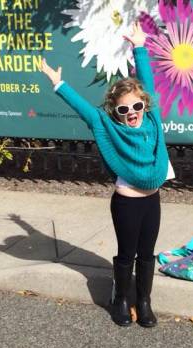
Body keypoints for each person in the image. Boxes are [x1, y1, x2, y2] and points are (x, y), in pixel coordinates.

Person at [41, 22, 174, 328]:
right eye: (124, 110)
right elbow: (87, 112)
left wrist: (140, 46)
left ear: (145, 105)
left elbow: (148, 81)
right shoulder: (109, 125)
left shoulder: (152, 121)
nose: (132, 113)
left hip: (152, 201)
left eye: (137, 106)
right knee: (127, 254)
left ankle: (144, 301)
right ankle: (122, 300)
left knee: (147, 254)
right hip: (126, 202)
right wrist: (59, 84)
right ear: (115, 112)